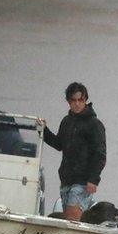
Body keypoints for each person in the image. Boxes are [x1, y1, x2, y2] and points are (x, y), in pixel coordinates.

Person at [43, 82, 107, 221]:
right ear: (68, 101)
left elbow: (100, 154)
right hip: (66, 179)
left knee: (72, 219)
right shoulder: (66, 121)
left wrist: (93, 180)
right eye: (74, 100)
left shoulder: (94, 124)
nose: (77, 104)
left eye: (81, 100)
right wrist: (44, 130)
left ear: (85, 100)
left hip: (83, 181)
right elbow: (59, 144)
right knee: (69, 220)